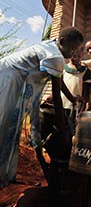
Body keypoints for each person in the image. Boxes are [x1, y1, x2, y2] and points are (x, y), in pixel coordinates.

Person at [0, 26, 84, 188]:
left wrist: (72, 98)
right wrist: (64, 130)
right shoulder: (55, 56)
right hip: (9, 77)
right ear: (62, 41)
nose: (74, 53)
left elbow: (58, 83)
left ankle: (6, 176)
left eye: (78, 50)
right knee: (4, 126)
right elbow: (56, 95)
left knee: (12, 130)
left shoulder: (54, 47)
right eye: (73, 48)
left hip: (14, 76)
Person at [61, 44, 91, 127]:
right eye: (73, 55)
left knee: (73, 126)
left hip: (77, 105)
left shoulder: (85, 71)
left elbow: (86, 91)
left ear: (82, 56)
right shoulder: (63, 69)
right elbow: (59, 85)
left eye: (78, 56)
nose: (75, 58)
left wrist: (85, 104)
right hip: (62, 103)